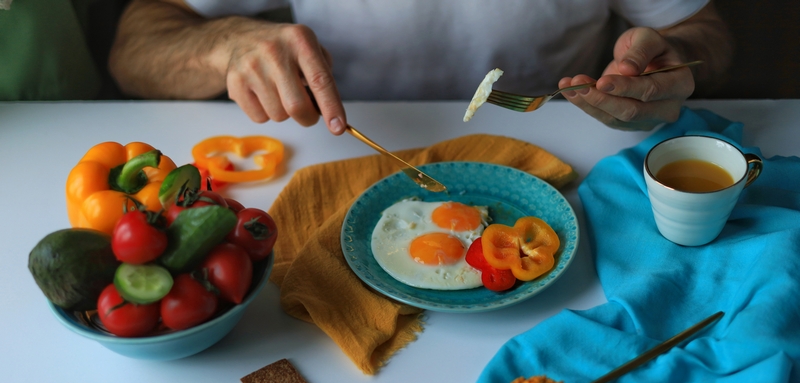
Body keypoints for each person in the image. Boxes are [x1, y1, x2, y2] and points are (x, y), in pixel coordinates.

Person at [108, 0, 732, 134]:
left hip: (563, 173)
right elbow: (135, 48)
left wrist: (678, 63)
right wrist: (224, 43)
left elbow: (702, 30)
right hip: (333, 157)